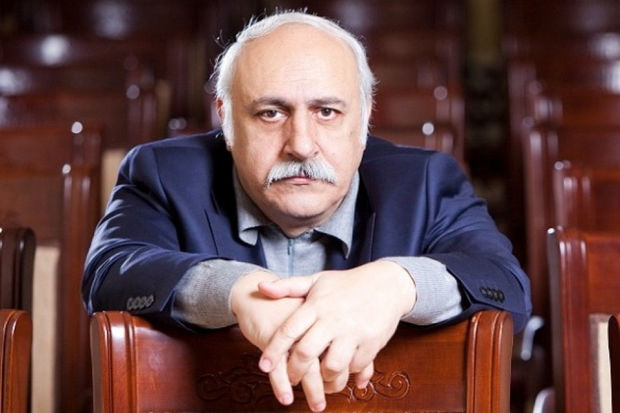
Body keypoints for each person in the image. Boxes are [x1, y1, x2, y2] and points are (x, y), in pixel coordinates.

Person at [82, 10, 531, 412]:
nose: (300, 145)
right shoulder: (162, 173)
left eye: (327, 112)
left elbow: (505, 285)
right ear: (226, 119)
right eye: (271, 113)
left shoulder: (425, 182)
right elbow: (108, 274)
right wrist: (237, 291)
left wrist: (396, 284)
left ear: (365, 118)